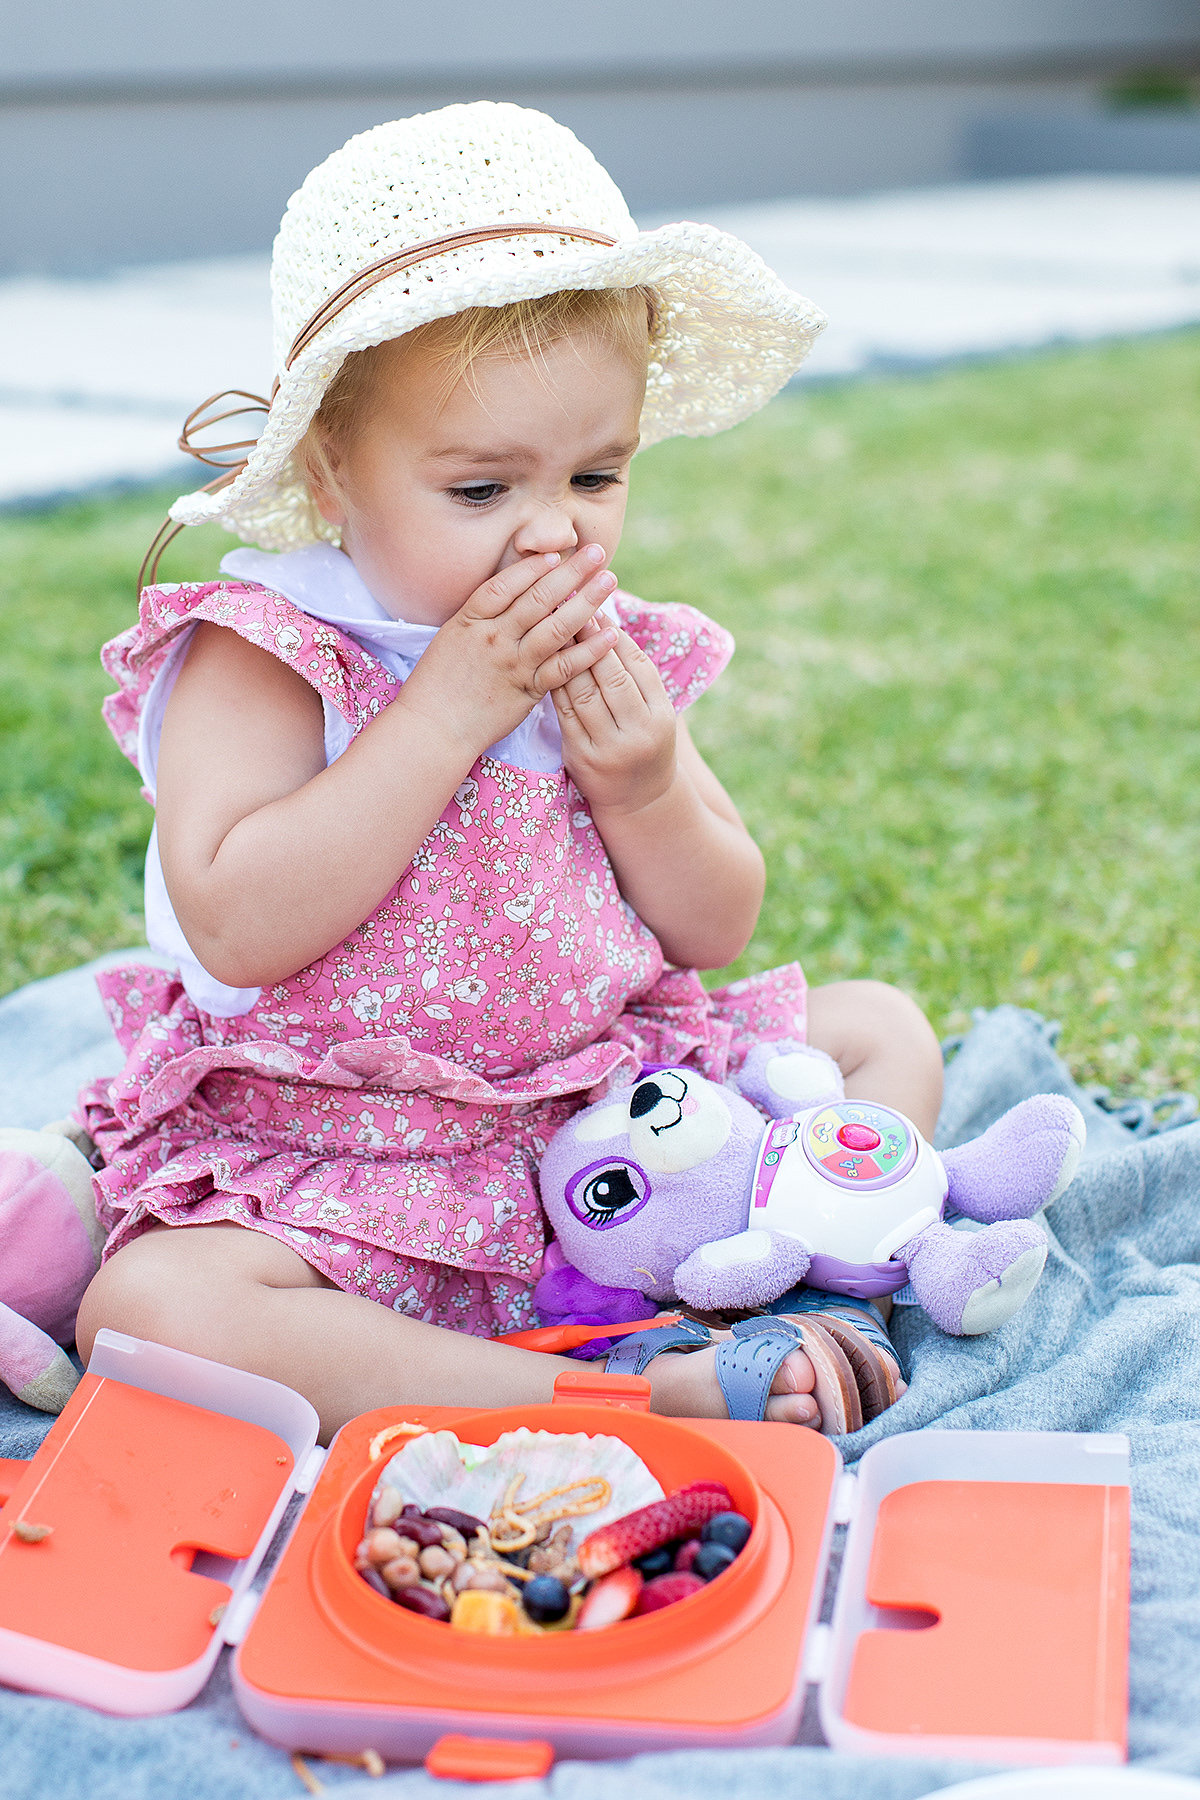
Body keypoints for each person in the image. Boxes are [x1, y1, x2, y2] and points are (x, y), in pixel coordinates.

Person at [74, 103, 944, 1441]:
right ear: (331, 469)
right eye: (481, 490)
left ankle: (797, 1287)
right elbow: (238, 924)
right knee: (152, 1306)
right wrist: (440, 717)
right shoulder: (269, 653)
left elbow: (717, 927)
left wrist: (644, 781)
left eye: (596, 475)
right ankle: (631, 1392)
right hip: (355, 1153)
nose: (550, 532)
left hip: (607, 1116)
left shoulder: (606, 644)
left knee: (883, 1028)